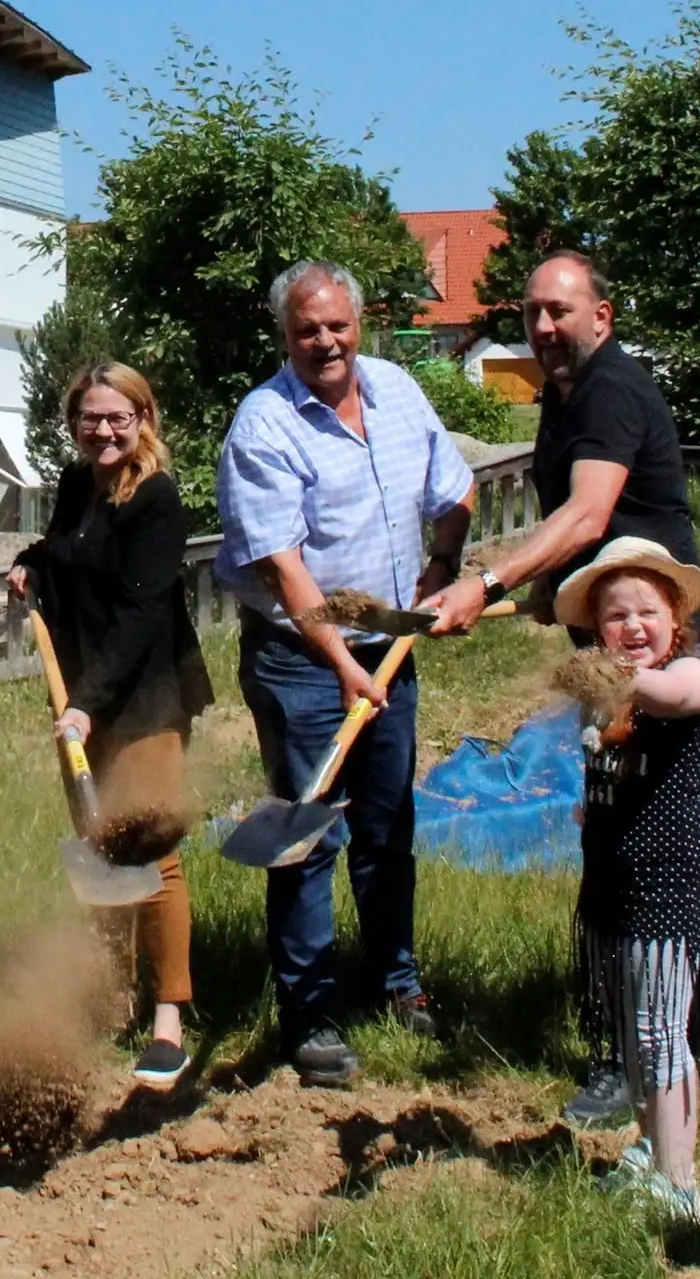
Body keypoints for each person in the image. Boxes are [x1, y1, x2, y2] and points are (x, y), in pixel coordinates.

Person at [417, 248, 700, 1123]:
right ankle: (631, 1042)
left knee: (650, 855)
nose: (544, 327)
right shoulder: (563, 395)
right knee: (608, 841)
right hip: (605, 650)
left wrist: (490, 581)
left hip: (655, 650)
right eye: (534, 312)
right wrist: (553, 590)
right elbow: (589, 530)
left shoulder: (612, 389)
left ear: (602, 318)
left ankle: (657, 1055)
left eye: (561, 311)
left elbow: (586, 512)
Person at [215, 260, 473, 1085]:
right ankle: (312, 1011)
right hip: (301, 660)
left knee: (389, 827)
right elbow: (287, 570)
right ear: (284, 338)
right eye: (306, 331)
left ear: (359, 324)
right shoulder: (264, 425)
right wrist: (337, 663)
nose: (324, 342)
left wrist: (446, 560)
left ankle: (396, 983)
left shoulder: (398, 390)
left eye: (337, 326)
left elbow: (453, 486)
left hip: (387, 650)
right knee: (308, 833)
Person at [8, 360, 212, 1089]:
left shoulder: (156, 499)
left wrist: (87, 703)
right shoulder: (76, 486)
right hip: (85, 701)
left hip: (147, 697)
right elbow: (68, 555)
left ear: (142, 419)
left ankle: (168, 1019)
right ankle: (111, 996)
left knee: (150, 851)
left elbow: (140, 612)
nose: (103, 430)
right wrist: (31, 563)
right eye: (90, 418)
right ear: (73, 424)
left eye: (117, 417)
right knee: (100, 850)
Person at [561, 539, 700, 1226]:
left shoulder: (689, 677)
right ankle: (650, 1148)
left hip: (668, 882)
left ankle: (680, 1182)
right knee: (632, 1035)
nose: (632, 627)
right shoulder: (606, 700)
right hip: (611, 882)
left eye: (647, 613)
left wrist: (613, 675)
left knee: (663, 1033)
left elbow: (669, 694)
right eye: (615, 616)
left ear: (675, 619)